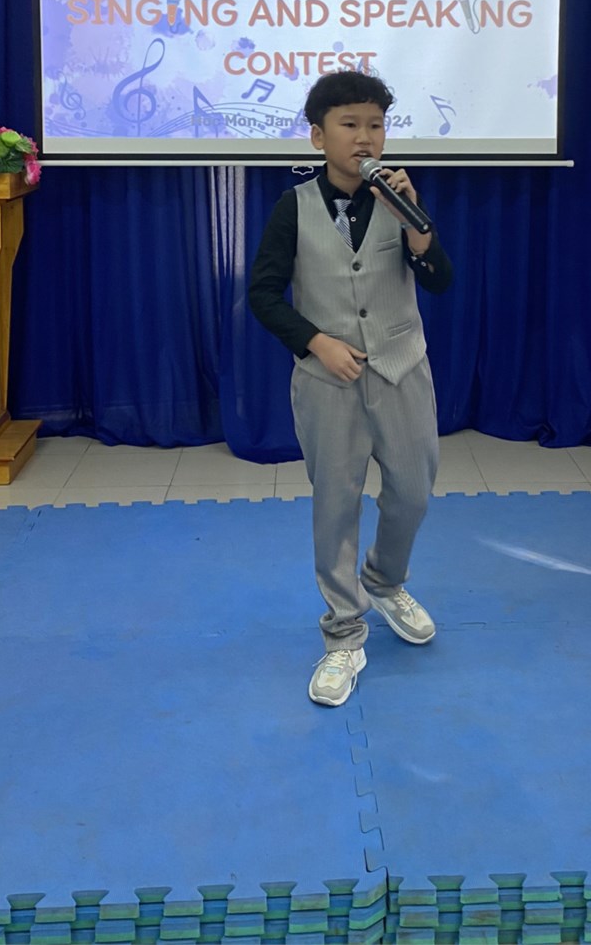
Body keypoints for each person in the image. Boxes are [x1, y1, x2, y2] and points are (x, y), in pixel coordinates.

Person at [248, 70, 453, 707]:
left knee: (413, 493)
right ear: (318, 137)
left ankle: (385, 581)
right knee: (336, 506)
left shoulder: (400, 198)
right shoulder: (293, 207)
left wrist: (418, 229)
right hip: (327, 381)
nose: (366, 137)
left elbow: (439, 279)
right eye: (350, 125)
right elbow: (263, 294)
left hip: (402, 369)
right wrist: (316, 341)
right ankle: (343, 633)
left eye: (376, 125)